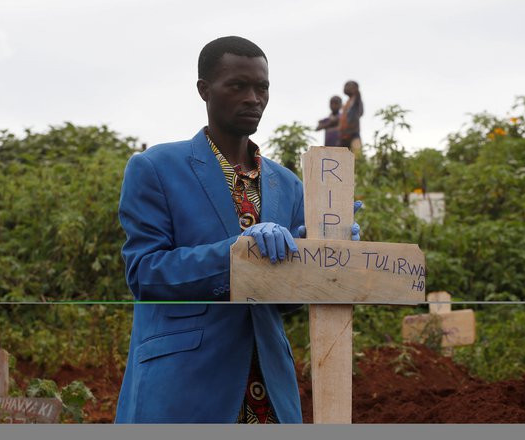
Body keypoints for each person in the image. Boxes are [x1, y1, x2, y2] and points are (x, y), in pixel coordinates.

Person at [115, 36, 360, 424]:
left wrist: (320, 255)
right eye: (238, 86)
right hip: (186, 386)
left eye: (261, 87)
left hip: (268, 389)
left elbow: (286, 300)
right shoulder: (156, 168)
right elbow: (145, 274)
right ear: (204, 90)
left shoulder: (288, 183)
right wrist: (237, 253)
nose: (253, 98)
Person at [338, 80, 364, 156]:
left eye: (348, 86)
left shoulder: (356, 101)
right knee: (342, 158)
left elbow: (360, 112)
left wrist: (357, 91)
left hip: (353, 134)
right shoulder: (347, 103)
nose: (346, 88)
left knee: (356, 157)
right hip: (343, 136)